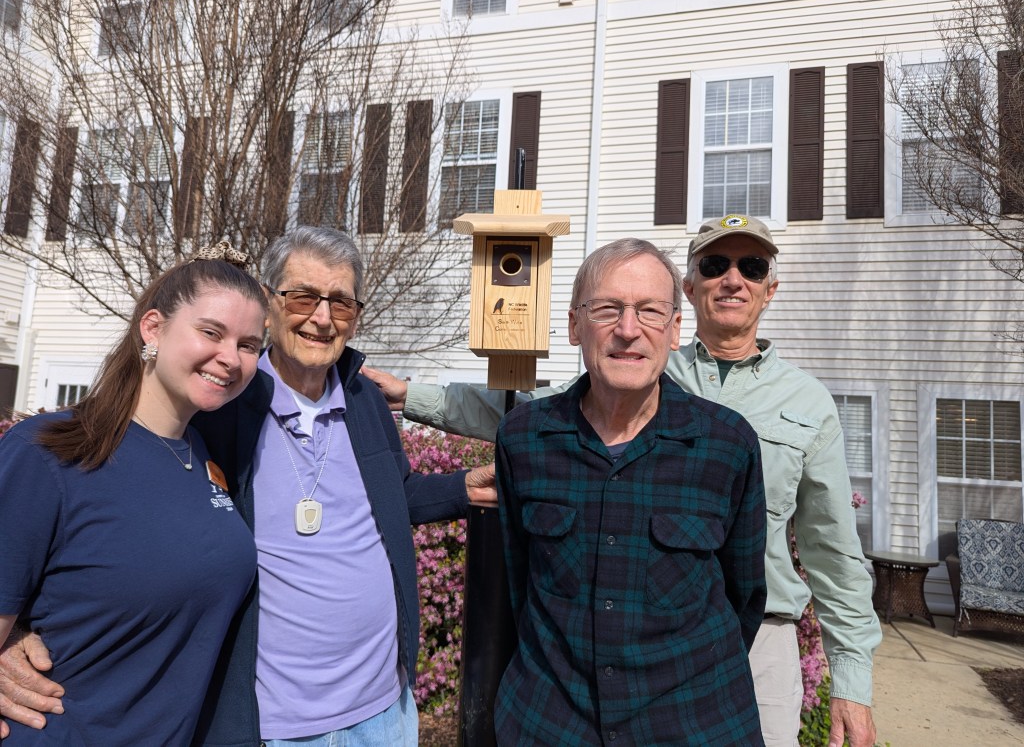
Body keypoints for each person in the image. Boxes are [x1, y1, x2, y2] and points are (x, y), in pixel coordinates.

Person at [362, 214, 883, 747]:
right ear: (689, 290)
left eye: (751, 267)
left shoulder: (804, 404)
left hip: (753, 639)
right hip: (595, 654)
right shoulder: (634, 362)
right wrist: (411, 396)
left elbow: (830, 551)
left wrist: (850, 679)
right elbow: (527, 419)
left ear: (770, 288)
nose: (732, 279)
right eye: (714, 264)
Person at [0, 227, 496, 745]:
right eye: (303, 297)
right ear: (270, 303)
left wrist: (462, 488)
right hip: (275, 724)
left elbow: (390, 496)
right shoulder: (221, 406)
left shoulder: (364, 400)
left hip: (384, 710)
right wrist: (15, 633)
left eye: (341, 303)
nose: (322, 317)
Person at [494, 238, 766, 744]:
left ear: (675, 329)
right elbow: (516, 582)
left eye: (650, 311)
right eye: (606, 309)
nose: (627, 329)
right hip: (553, 725)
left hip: (692, 725)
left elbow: (744, 595)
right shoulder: (524, 438)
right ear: (575, 326)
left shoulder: (727, 445)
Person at [0, 250, 269, 743]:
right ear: (153, 329)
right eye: (211, 332)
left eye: (249, 345)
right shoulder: (48, 451)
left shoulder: (203, 456)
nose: (231, 358)